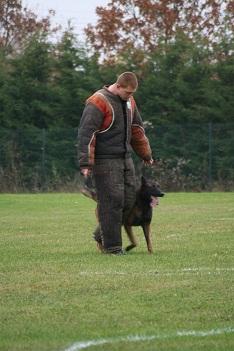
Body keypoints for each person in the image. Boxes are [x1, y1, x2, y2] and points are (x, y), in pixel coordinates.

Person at [77, 72, 153, 255]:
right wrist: (86, 163)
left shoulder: (130, 102)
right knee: (111, 201)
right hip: (104, 160)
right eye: (128, 92)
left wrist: (146, 154)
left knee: (129, 199)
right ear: (118, 86)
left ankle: (101, 236)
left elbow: (137, 131)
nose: (130, 96)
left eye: (132, 93)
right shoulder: (98, 101)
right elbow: (86, 134)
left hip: (124, 158)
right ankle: (112, 247)